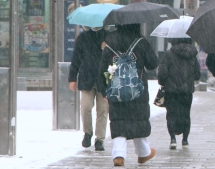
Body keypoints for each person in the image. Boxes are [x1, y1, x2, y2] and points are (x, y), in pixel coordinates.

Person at [97, 24, 158, 167]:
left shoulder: (110, 43)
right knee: (138, 120)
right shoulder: (140, 42)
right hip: (137, 89)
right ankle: (143, 153)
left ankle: (119, 155)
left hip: (116, 89)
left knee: (119, 121)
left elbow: (102, 69)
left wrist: (103, 89)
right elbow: (153, 64)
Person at [68, 26, 109, 151]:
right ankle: (88, 133)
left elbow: (116, 57)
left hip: (104, 79)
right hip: (87, 78)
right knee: (86, 107)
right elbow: (76, 59)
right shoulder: (83, 37)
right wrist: (72, 78)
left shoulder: (109, 37)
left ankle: (100, 139)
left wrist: (107, 49)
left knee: (102, 110)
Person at [157, 38, 200, 150]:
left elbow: (162, 73)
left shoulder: (169, 54)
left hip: (171, 90)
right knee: (185, 114)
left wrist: (162, 82)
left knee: (171, 114)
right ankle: (185, 140)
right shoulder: (192, 54)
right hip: (187, 91)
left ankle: (172, 139)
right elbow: (197, 75)